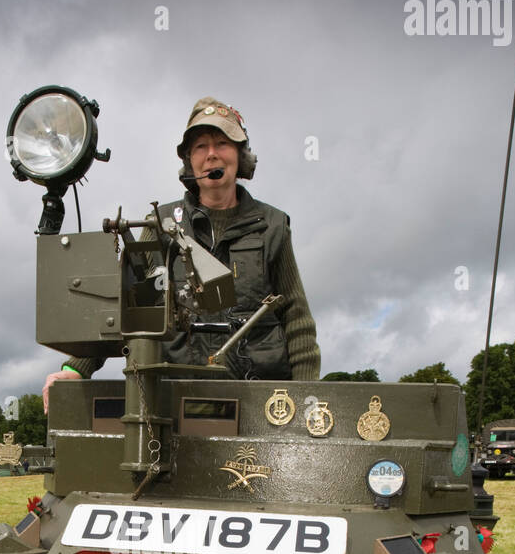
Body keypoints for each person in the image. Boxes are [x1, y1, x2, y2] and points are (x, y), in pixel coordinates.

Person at [43, 96, 320, 409]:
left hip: (262, 405)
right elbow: (126, 309)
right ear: (190, 160)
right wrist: (74, 369)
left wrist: (305, 398)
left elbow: (296, 318)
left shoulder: (271, 226)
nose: (212, 154)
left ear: (240, 156)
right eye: (201, 146)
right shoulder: (160, 225)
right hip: (176, 404)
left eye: (222, 143)